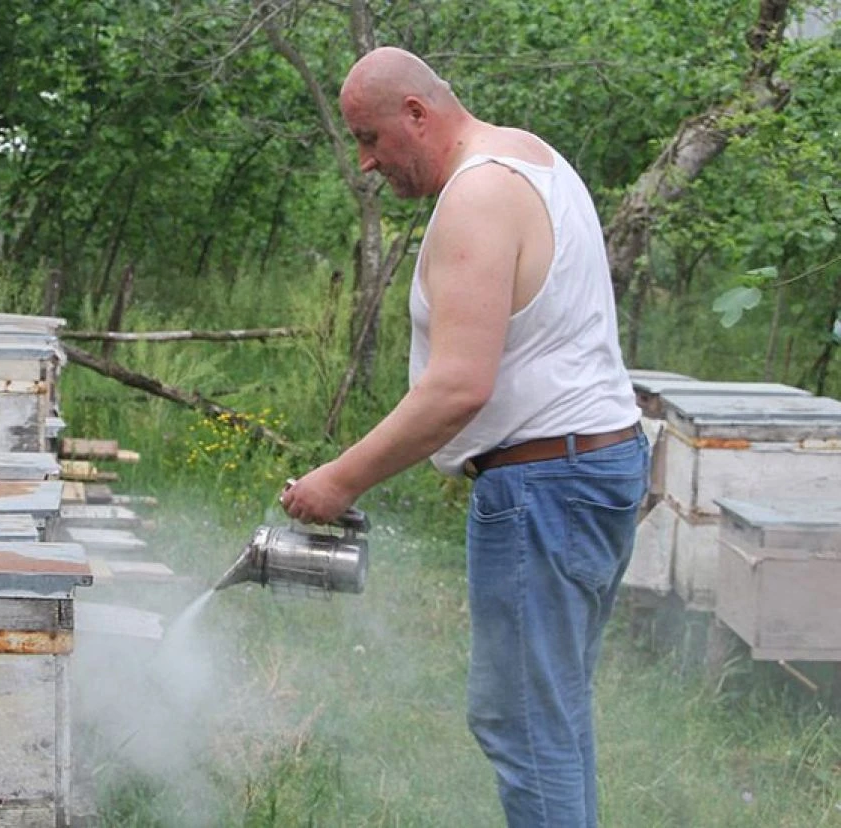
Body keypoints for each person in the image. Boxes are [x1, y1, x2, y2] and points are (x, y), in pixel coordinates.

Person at [279, 47, 649, 827]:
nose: (367, 162)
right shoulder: (532, 158)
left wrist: (339, 479)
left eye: (371, 137)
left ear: (418, 112)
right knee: (552, 713)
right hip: (593, 467)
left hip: (547, 486)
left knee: (522, 723)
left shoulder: (478, 196)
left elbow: (458, 386)